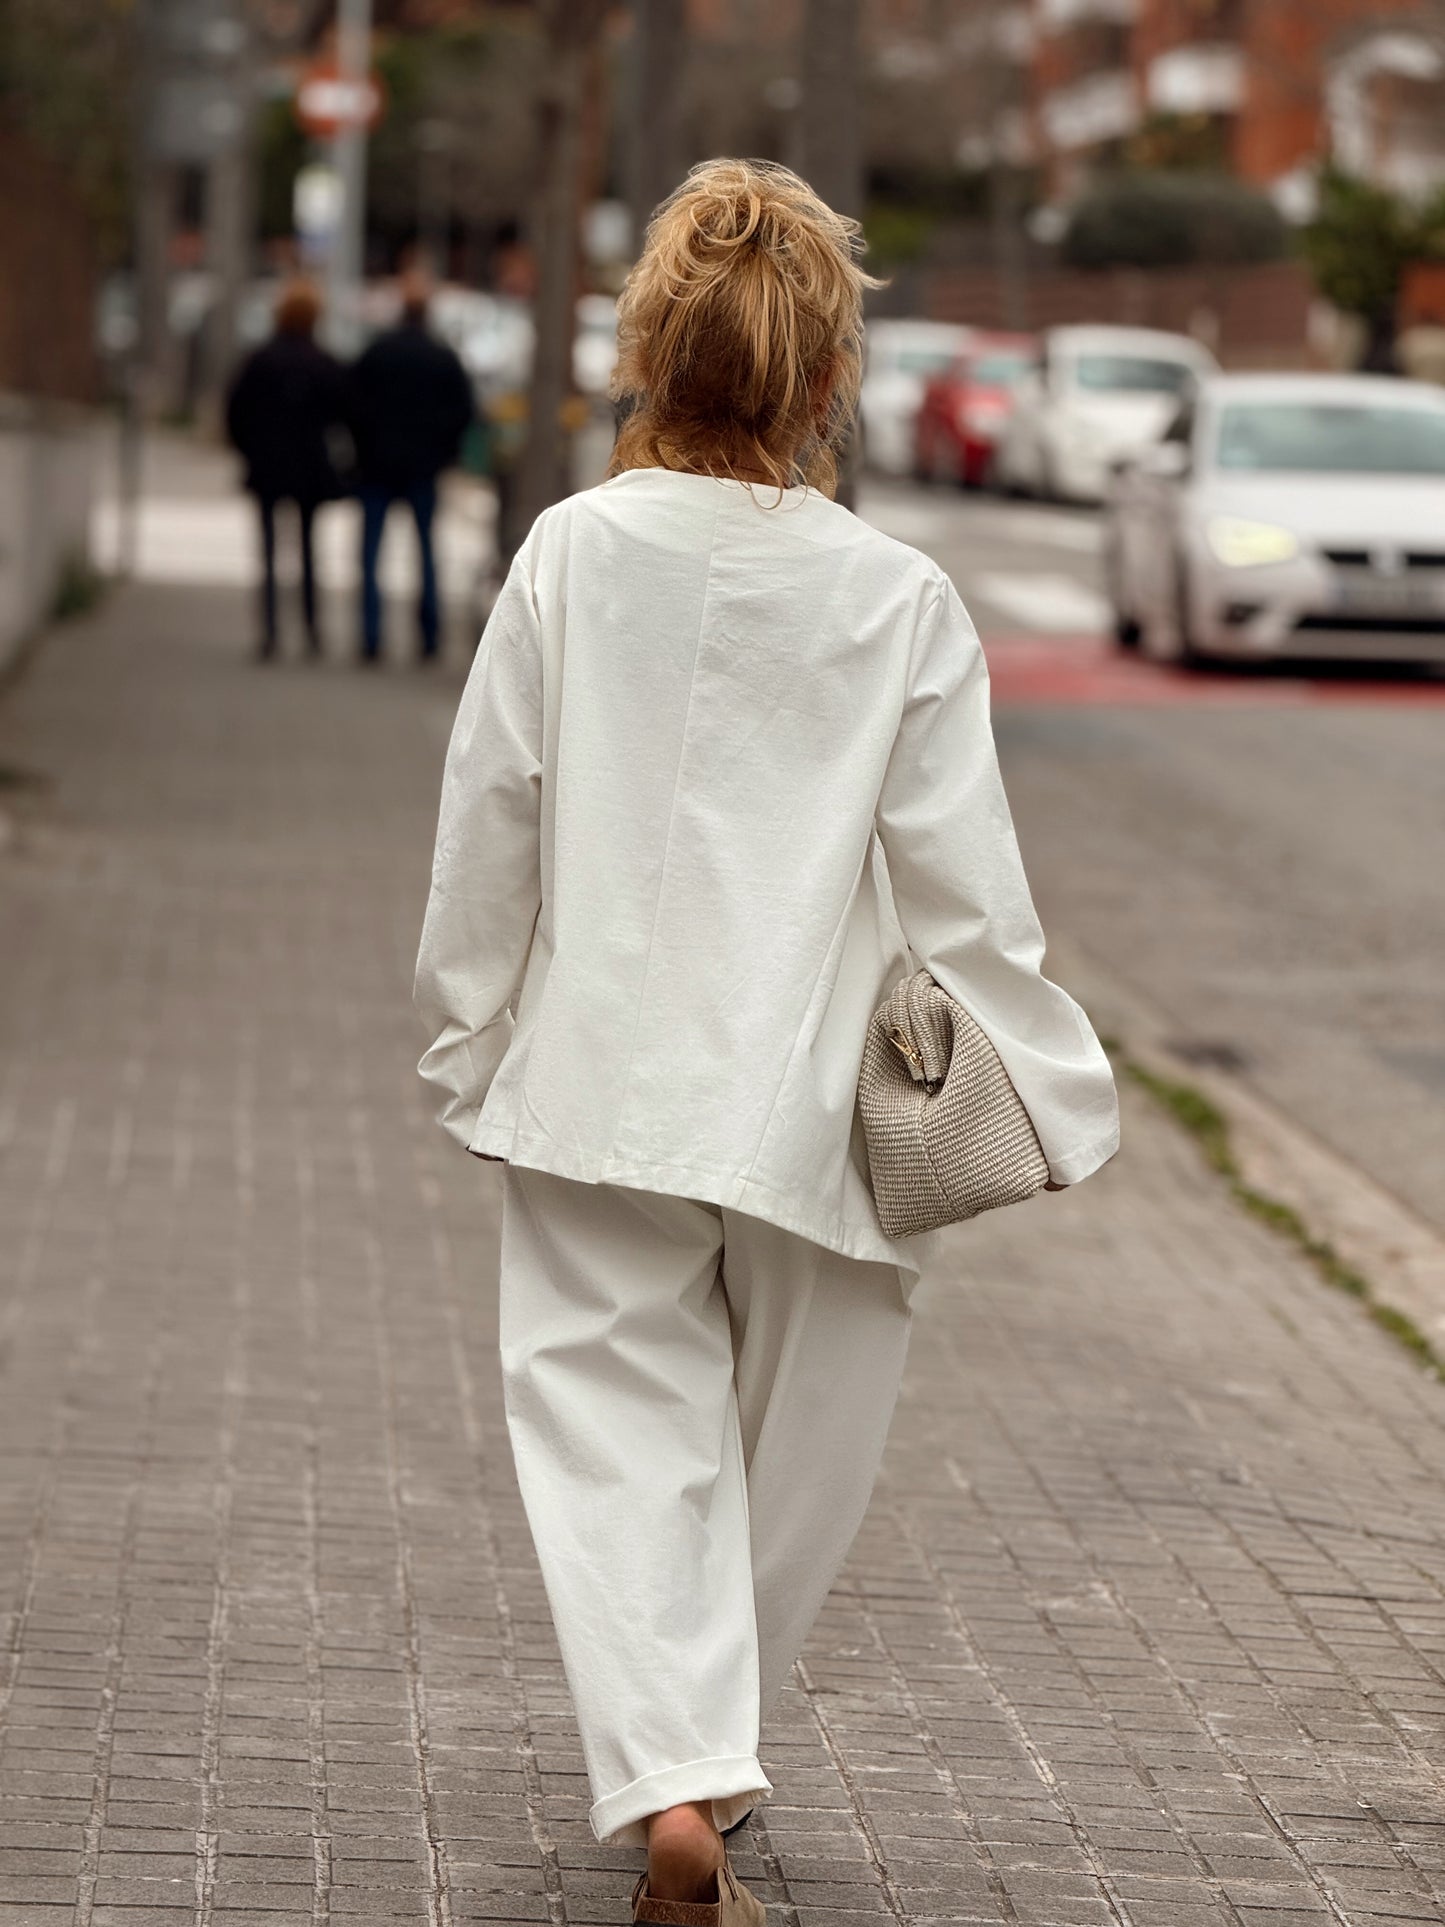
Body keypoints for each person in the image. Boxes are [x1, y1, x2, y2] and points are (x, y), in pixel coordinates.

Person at [413, 160, 1119, 1926]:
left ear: (651, 353)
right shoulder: (898, 595)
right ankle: (707, 1767)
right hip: (818, 1109)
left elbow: (492, 817)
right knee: (796, 1456)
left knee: (610, 1429)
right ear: (826, 375)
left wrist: (467, 1030)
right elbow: (966, 896)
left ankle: (671, 1765)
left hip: (597, 1075)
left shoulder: (572, 555)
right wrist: (1053, 1097)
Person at [350, 269, 474, 664]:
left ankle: (371, 635)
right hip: (423, 466)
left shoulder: (377, 352)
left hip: (377, 465)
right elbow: (464, 410)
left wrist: (362, 447)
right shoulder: (441, 357)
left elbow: (352, 404)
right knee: (425, 550)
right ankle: (429, 635)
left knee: (371, 553)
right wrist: (444, 450)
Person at [225, 280, 348, 661]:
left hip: (268, 465)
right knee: (309, 551)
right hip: (310, 467)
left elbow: (235, 413)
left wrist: (249, 451)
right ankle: (311, 629)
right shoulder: (323, 362)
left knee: (268, 552)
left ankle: (270, 632)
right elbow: (344, 414)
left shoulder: (260, 361)